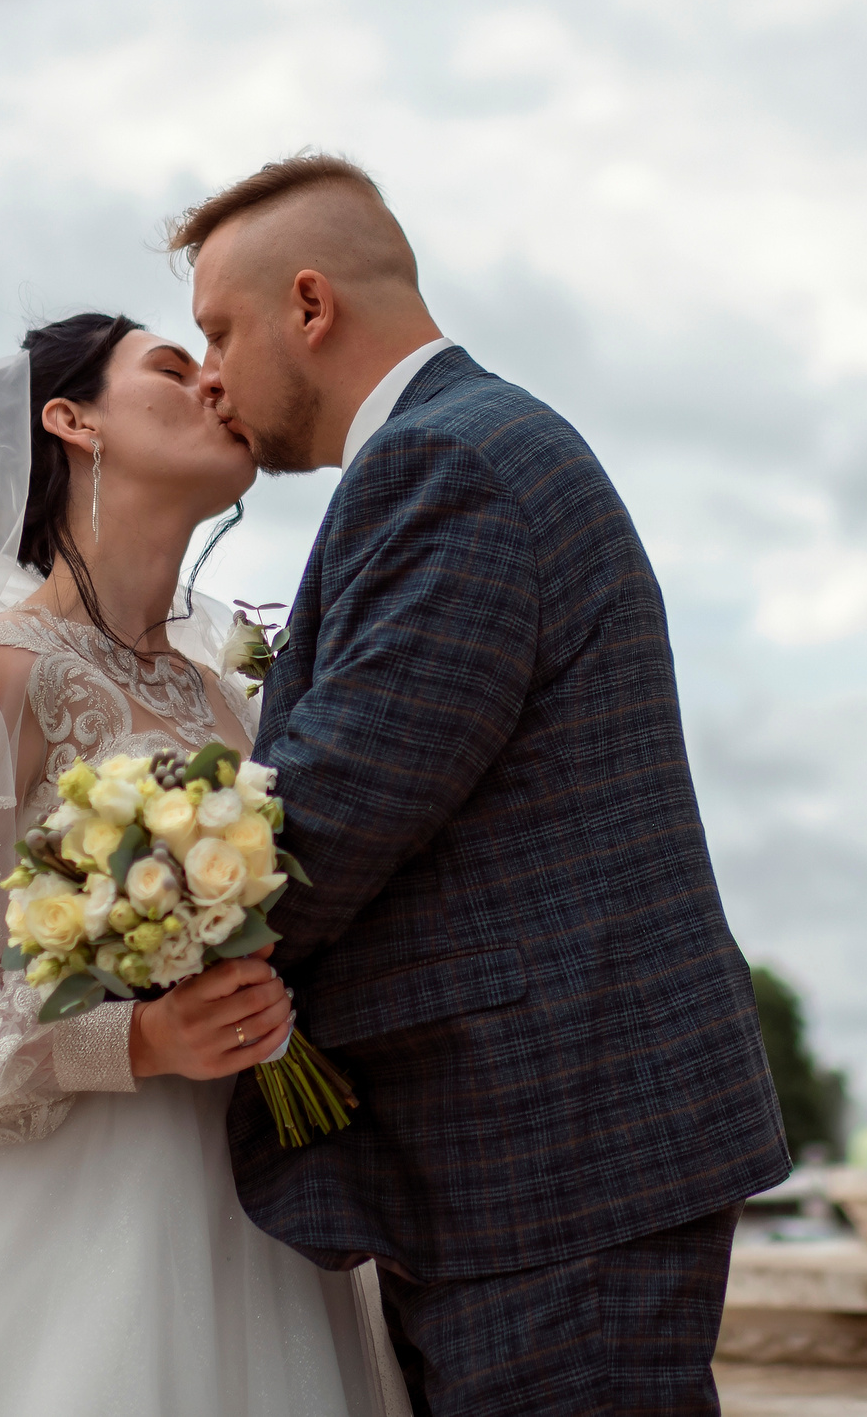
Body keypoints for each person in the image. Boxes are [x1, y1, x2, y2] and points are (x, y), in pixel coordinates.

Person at [184, 155, 791, 1416]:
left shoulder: (444, 464)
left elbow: (336, 814)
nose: (211, 376)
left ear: (310, 306)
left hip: (548, 1151)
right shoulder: (468, 443)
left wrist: (126, 959)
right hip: (543, 1152)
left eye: (219, 330)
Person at [0, 317, 404, 1417]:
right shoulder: (0, 675)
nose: (213, 382)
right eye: (169, 366)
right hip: (66, 1226)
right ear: (71, 421)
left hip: (254, 1215)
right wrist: (136, 1038)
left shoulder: (230, 699)